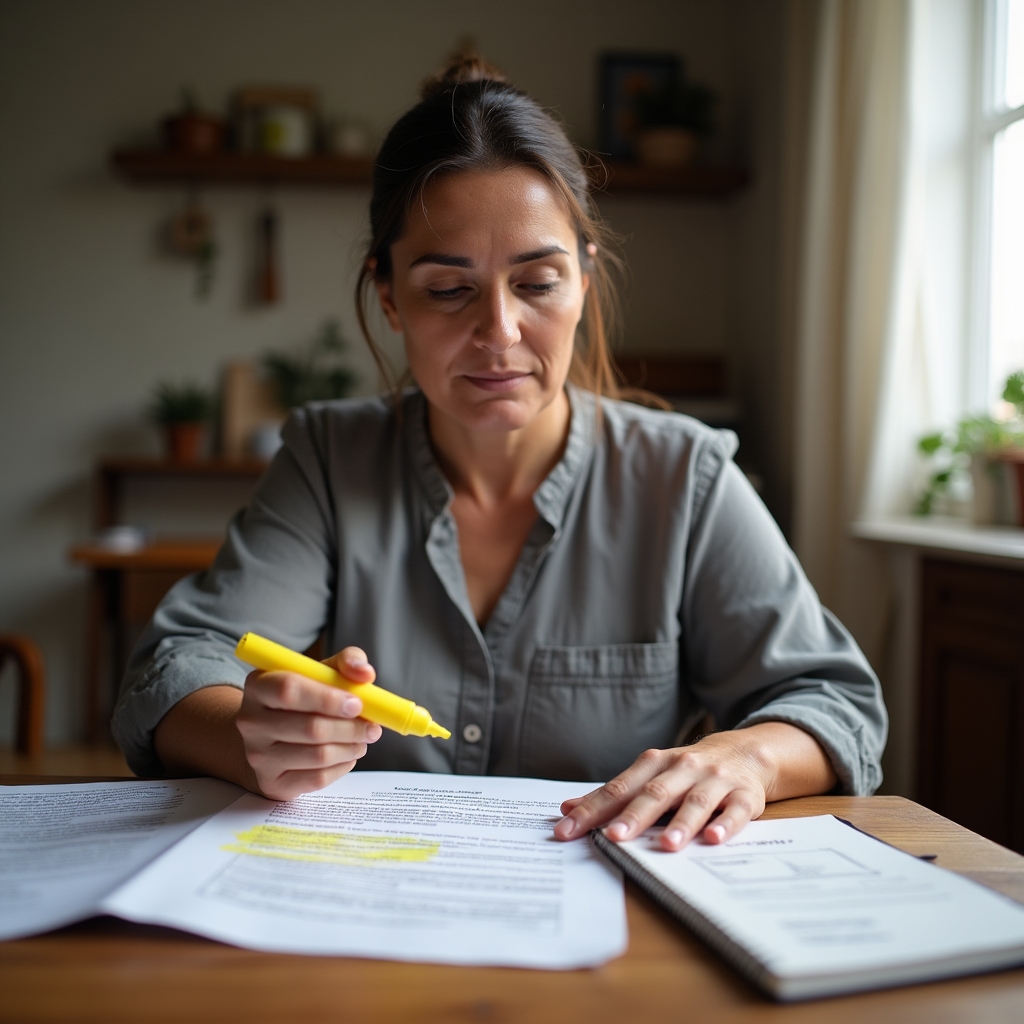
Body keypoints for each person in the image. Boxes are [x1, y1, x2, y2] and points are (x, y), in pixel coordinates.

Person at [113, 59, 886, 853]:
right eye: (449, 290)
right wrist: (249, 731)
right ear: (388, 296)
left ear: (585, 278)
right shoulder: (328, 460)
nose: (501, 333)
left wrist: (748, 754)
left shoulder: (683, 478)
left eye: (538, 282)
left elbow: (835, 702)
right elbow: (176, 665)